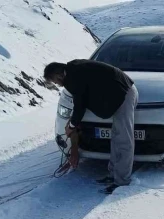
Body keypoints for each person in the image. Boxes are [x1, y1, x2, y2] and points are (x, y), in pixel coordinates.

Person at [43, 59, 138, 194]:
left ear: (59, 75)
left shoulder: (73, 76)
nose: (57, 84)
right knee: (116, 137)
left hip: (124, 94)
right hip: (118, 94)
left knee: (123, 139)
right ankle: (113, 175)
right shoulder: (74, 70)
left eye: (54, 81)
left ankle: (122, 181)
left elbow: (79, 105)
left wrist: (71, 125)